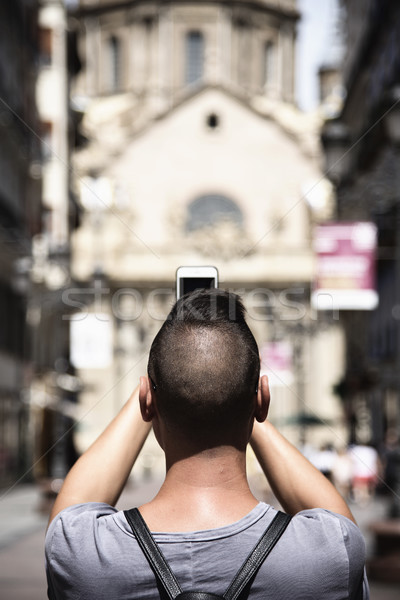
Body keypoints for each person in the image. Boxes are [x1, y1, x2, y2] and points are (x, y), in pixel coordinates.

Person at [45, 289, 369, 599]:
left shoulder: (81, 554)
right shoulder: (330, 554)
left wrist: (153, 392)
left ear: (147, 403)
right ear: (262, 401)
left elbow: (75, 504)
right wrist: (242, 398)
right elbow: (332, 513)